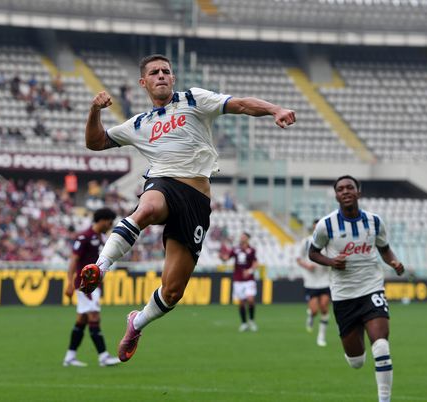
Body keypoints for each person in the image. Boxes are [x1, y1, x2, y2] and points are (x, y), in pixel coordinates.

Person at [78, 54, 296, 362]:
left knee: (172, 292)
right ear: (144, 82)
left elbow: (242, 104)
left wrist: (275, 109)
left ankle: (136, 323)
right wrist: (93, 111)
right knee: (148, 208)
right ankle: (100, 268)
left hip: (196, 201)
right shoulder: (138, 124)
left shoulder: (194, 99)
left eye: (166, 71)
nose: (162, 75)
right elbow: (95, 142)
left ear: (173, 78)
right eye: (154, 72)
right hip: (164, 182)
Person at [309, 175, 404, 402]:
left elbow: (385, 248)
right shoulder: (326, 225)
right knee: (357, 362)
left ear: (358, 192)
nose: (345, 191)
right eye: (340, 189)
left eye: (350, 187)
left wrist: (394, 262)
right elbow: (312, 253)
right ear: (336, 195)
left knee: (381, 347)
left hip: (372, 290)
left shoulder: (374, 222)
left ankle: (384, 399)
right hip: (343, 296)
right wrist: (332, 262)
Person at [62, 207, 121, 368]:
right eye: (110, 222)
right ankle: (103, 356)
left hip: (93, 285)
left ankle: (70, 356)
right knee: (94, 317)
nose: (110, 225)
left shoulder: (100, 237)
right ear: (102, 220)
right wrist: (69, 282)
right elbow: (74, 260)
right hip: (85, 285)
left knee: (82, 320)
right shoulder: (84, 237)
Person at [296, 219, 331, 346]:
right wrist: (307, 266)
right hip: (311, 281)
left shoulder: (329, 241)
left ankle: (321, 337)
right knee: (314, 310)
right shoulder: (306, 242)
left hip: (325, 280)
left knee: (324, 307)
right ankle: (311, 315)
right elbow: (298, 259)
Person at [220, 232, 259, 332]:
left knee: (250, 300)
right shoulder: (236, 249)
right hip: (238, 279)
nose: (242, 238)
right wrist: (221, 256)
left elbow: (255, 264)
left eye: (244, 236)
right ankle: (244, 323)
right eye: (241, 236)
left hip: (249, 279)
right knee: (241, 302)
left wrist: (249, 271)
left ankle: (251, 320)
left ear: (248, 238)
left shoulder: (252, 250)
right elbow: (226, 258)